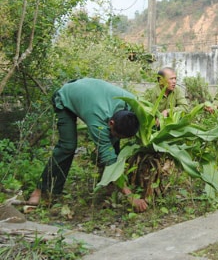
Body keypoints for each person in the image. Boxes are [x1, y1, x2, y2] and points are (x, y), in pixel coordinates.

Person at [27, 78, 148, 212]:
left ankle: (108, 187)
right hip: (66, 98)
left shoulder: (133, 104)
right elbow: (110, 160)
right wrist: (130, 196)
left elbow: (150, 113)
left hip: (89, 93)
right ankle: (40, 190)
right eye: (118, 134)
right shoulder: (98, 120)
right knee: (67, 146)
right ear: (111, 123)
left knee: (112, 145)